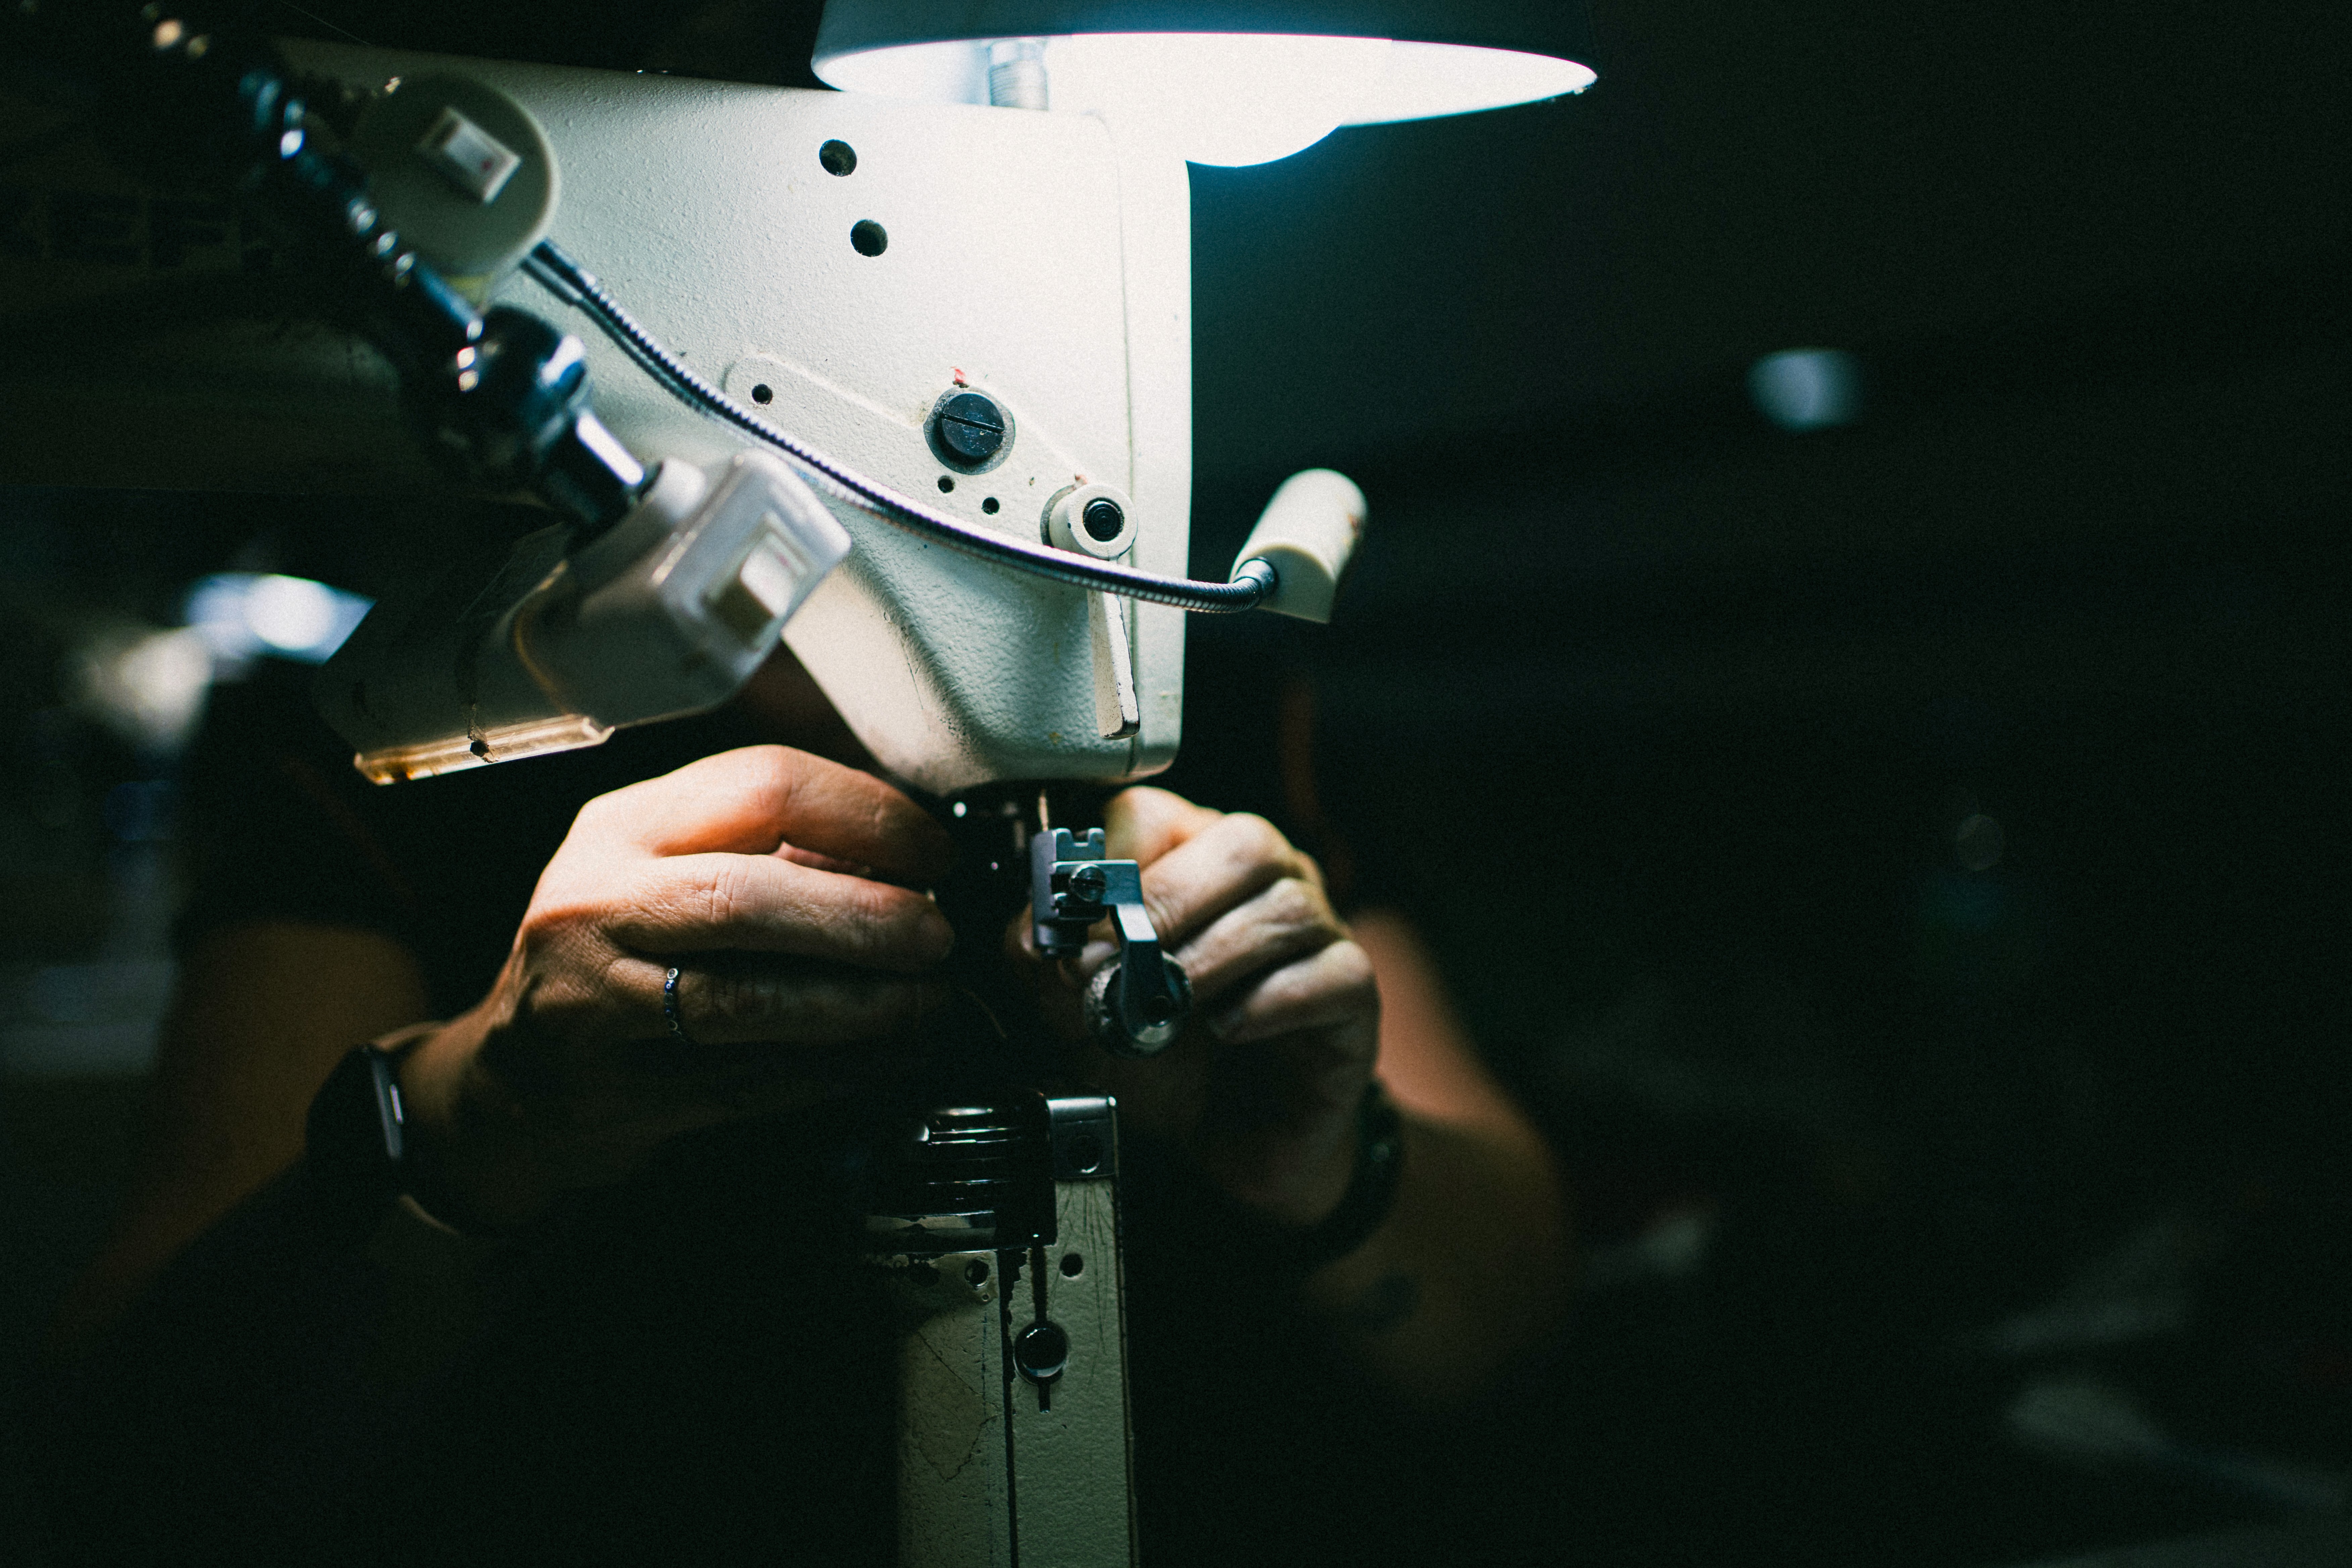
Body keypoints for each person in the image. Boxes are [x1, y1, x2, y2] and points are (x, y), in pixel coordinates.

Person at [37, 648, 1571, 1566]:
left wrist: (1329, 1161)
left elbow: (1500, 1319)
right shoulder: (399, 724)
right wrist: (480, 1107)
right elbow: (155, 1463)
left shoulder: (1207, 696)